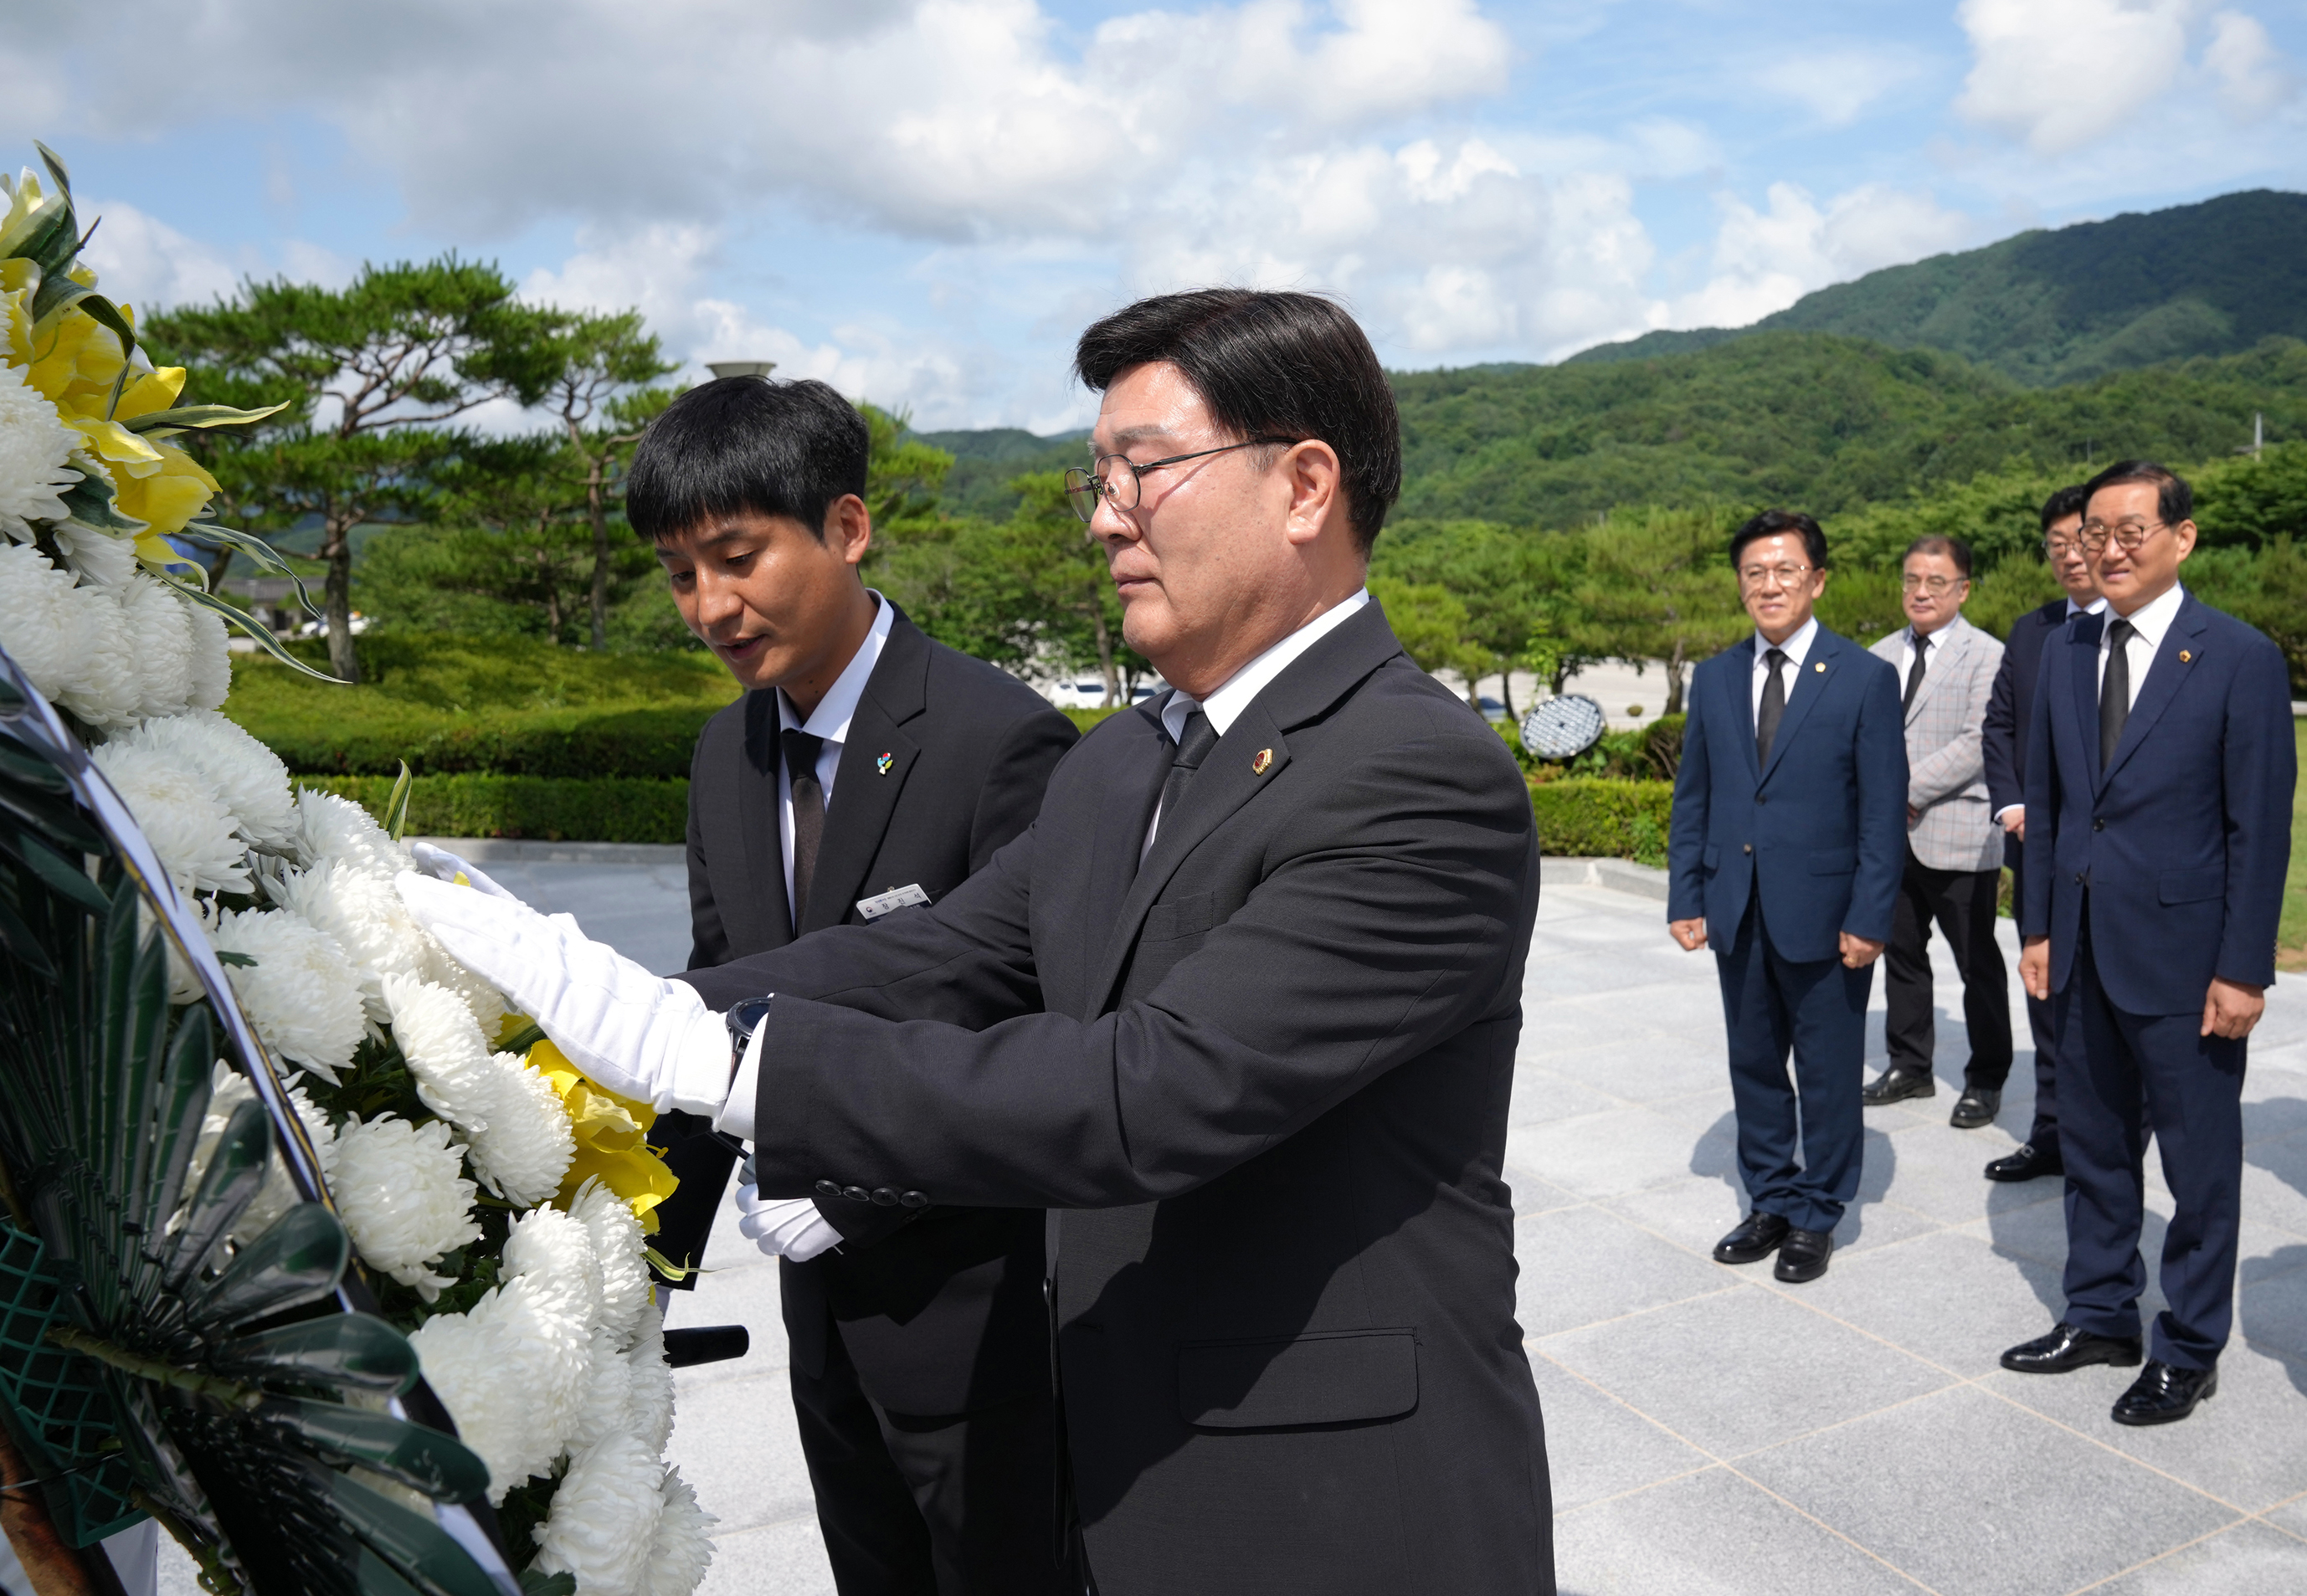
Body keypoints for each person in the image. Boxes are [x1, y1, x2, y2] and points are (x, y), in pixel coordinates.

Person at [400, 290, 1554, 1595]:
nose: (1106, 514)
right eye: (1097, 476)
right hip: (1105, 1437)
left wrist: (728, 1062)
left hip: (1320, 1498)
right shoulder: (1128, 757)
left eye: (1147, 470)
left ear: (1303, 485)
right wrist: (597, 996)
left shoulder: (1415, 772)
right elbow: (949, 954)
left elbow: (1150, 1088)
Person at [631, 375, 1079, 1593]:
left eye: (737, 555)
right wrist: (633, 1265)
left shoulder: (1001, 736)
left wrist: (869, 1184)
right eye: (680, 572)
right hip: (821, 1314)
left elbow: (1047, 1026)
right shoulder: (727, 747)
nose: (713, 607)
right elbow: (714, 1001)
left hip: (989, 1313)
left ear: (845, 527)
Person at [2001, 460, 2294, 1427]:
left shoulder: (2236, 656)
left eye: (2129, 529)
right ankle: (2098, 1312)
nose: (2107, 548)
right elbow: (2047, 805)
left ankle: (2188, 1345)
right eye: (2094, 531)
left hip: (2185, 959)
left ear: (2181, 537)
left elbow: (2259, 827)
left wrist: (2243, 966)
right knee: (2089, 1144)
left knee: (2198, 1164)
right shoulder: (2066, 650)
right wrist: (2036, 925)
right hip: (2077, 944)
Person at [1667, 511, 1906, 1284]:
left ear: (1818, 580)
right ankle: (1769, 1196)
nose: (1769, 586)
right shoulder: (1716, 675)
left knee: (1831, 1071)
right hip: (1739, 907)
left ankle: (1817, 1211)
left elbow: (1881, 809)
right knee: (1756, 1064)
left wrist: (1872, 915)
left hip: (1830, 917)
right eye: (1755, 573)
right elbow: (1694, 795)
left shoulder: (1865, 677)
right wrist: (1686, 893)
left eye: (1785, 571)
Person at [1861, 536, 2012, 1127]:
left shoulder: (1988, 655)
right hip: (1890, 840)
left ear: (1963, 589)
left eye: (1936, 582)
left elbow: (1979, 741)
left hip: (1959, 832)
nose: (1920, 592)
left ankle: (1987, 1075)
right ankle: (1910, 1065)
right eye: (1911, 580)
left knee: (1977, 962)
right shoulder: (1877, 655)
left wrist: (1901, 790)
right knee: (1900, 954)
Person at [1977, 486, 2102, 1183]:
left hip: (2117, 859)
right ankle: (2052, 1131)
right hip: (2039, 852)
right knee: (2046, 995)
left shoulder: (2144, 631)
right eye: (2056, 545)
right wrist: (2014, 803)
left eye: (2080, 539)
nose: (2070, 556)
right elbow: (1999, 726)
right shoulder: (2031, 631)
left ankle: (2112, 1138)